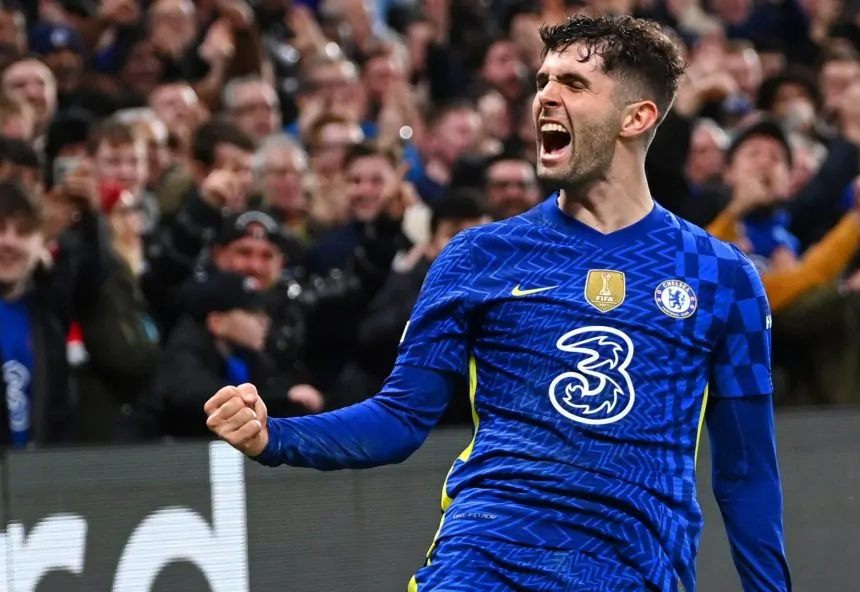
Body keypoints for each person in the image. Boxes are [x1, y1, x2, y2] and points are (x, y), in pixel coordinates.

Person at [204, 15, 791, 592]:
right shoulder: (480, 256)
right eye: (543, 81)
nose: (546, 97)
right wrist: (275, 436)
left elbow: (746, 477)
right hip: (480, 565)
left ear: (636, 117)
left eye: (574, 84)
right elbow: (399, 419)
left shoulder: (719, 276)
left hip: (629, 572)